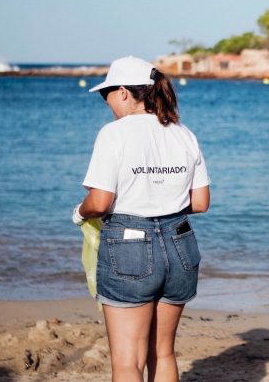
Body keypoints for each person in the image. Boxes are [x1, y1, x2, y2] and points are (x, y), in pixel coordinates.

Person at [72, 56, 211, 382]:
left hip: (129, 247)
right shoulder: (183, 133)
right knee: (162, 353)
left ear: (123, 92)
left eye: (105, 94)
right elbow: (200, 202)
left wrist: (79, 213)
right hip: (180, 244)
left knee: (127, 363)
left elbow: (100, 201)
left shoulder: (114, 133)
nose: (106, 102)